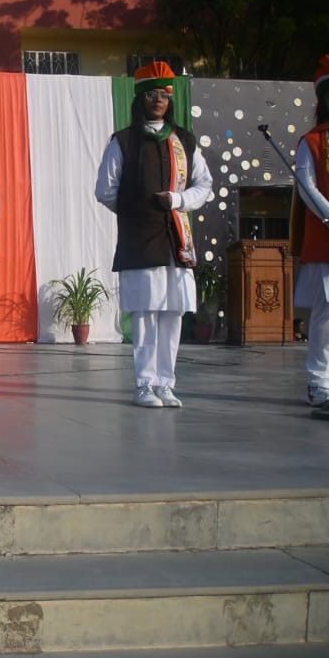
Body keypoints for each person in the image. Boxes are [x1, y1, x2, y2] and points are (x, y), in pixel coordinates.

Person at [95, 61, 212, 408]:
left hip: (177, 240)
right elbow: (105, 190)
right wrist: (135, 213)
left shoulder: (184, 140)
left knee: (172, 312)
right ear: (140, 99)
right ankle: (145, 384)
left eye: (163, 94)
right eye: (151, 95)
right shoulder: (123, 141)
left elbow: (204, 184)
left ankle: (166, 383)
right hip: (140, 240)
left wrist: (178, 200)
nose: (158, 100)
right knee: (145, 313)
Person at [293, 55, 329, 416]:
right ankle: (320, 383)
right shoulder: (312, 141)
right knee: (327, 314)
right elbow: (306, 186)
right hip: (326, 239)